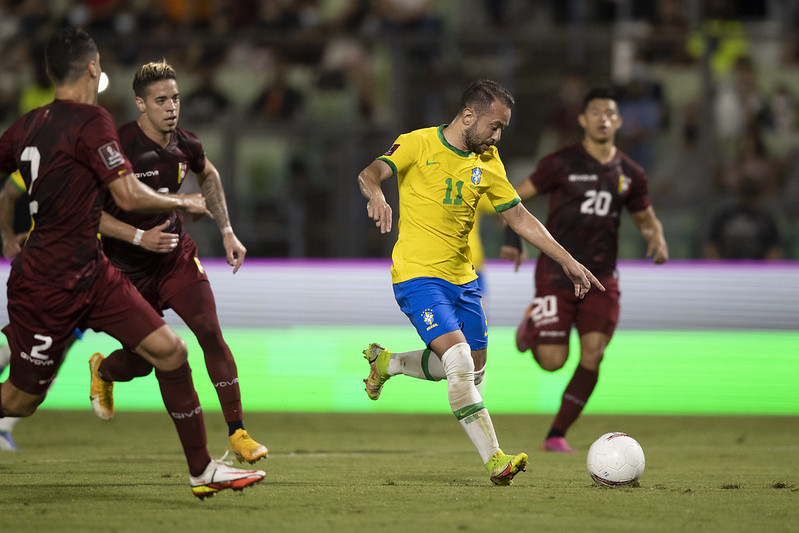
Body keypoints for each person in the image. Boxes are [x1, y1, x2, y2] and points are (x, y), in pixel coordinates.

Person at [0, 27, 264, 498]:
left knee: (171, 352)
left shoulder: (27, 125)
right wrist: (183, 204)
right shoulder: (96, 122)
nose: (171, 105)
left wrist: (10, 231)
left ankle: (202, 470)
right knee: (21, 400)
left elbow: (10, 183)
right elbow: (123, 193)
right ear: (94, 69)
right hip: (50, 279)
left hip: (96, 272)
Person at [357, 79, 603, 485]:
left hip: (463, 280)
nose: (498, 136)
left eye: (502, 128)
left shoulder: (488, 161)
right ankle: (495, 460)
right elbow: (371, 172)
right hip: (418, 276)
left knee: (473, 371)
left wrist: (568, 261)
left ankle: (389, 362)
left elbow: (520, 217)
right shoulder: (417, 144)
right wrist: (377, 194)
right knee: (457, 362)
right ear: (469, 116)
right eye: (495, 126)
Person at [87, 59, 267, 465]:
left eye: (176, 98)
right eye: (161, 100)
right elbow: (91, 213)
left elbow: (209, 175)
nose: (171, 107)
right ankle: (104, 371)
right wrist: (137, 236)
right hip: (127, 271)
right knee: (141, 363)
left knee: (208, 330)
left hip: (175, 258)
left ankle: (238, 432)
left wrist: (226, 230)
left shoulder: (186, 143)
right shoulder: (119, 148)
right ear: (140, 104)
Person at [503, 88, 669, 453]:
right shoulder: (560, 163)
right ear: (583, 119)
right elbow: (513, 198)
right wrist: (512, 238)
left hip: (601, 277)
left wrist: (655, 235)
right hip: (556, 271)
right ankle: (533, 324)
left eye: (610, 113)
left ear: (619, 122)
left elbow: (644, 218)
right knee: (552, 362)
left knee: (593, 353)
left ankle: (556, 434)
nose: (603, 119)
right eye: (595, 112)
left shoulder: (631, 173)